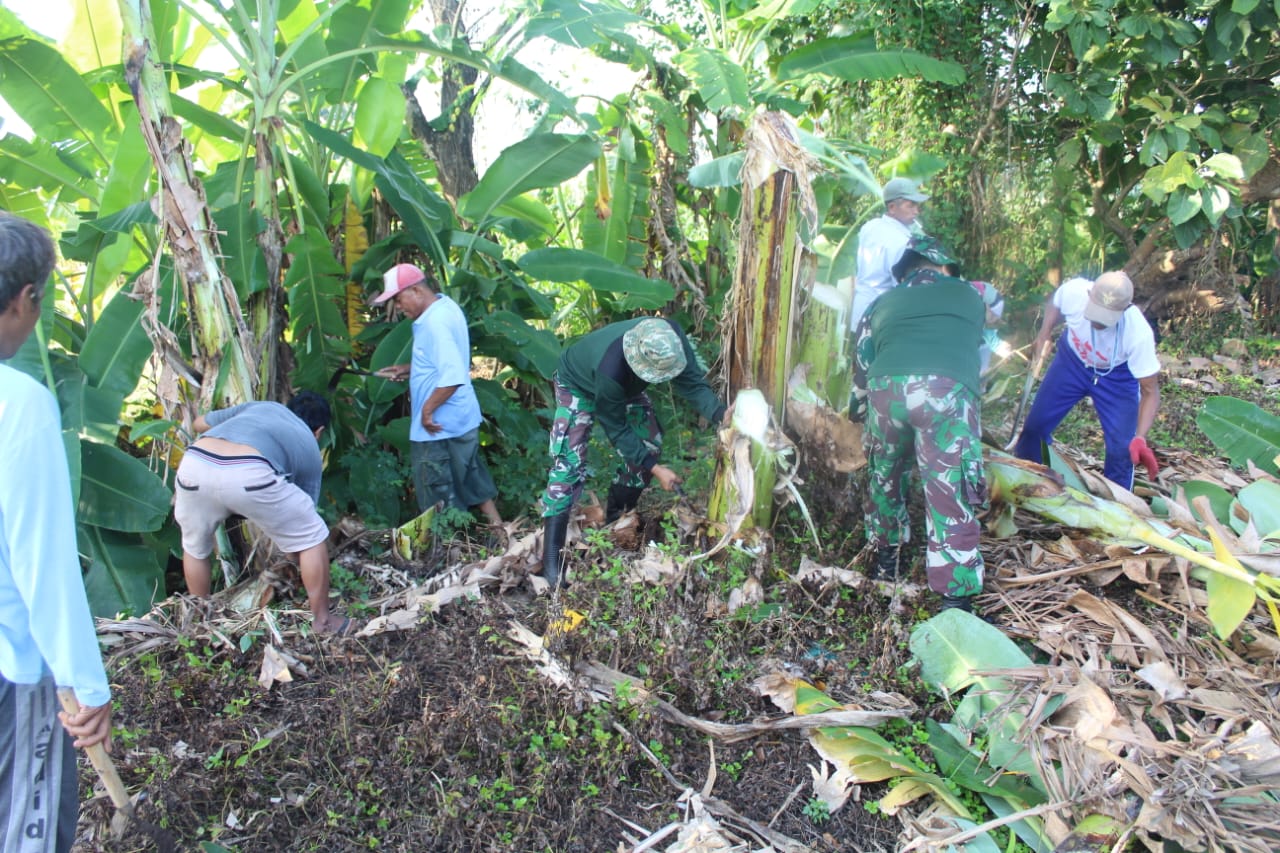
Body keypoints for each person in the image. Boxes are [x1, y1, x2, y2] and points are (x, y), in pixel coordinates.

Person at [0, 211, 113, 852]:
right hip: (13, 665)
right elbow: (40, 561)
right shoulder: (18, 405)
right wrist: (86, 685)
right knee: (28, 826)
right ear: (26, 299)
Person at [539, 317, 731, 588]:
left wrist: (721, 414)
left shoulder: (672, 337)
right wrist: (656, 468)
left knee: (649, 443)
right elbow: (616, 430)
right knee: (569, 465)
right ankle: (551, 564)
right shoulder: (611, 368)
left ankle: (618, 521)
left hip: (628, 386)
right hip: (578, 383)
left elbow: (691, 383)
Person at [850, 236, 987, 612]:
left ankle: (884, 561)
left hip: (886, 391)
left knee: (885, 475)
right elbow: (979, 342)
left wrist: (856, 408)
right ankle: (955, 599)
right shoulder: (970, 295)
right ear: (944, 268)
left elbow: (862, 361)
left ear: (904, 272)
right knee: (947, 487)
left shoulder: (881, 303)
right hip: (945, 391)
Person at [174, 392, 351, 634]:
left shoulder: (260, 407)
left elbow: (199, 423)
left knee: (195, 547)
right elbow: (301, 539)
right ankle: (324, 622)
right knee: (313, 536)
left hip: (195, 463)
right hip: (248, 471)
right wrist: (291, 569)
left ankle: (200, 627)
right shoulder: (308, 444)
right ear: (318, 431)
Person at [371, 264, 502, 528]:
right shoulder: (445, 307)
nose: (397, 307)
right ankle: (501, 534)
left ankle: (450, 553)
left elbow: (452, 376)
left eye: (398, 299)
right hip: (461, 420)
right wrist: (411, 369)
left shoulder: (434, 323)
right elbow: (446, 359)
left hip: (439, 428)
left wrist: (427, 411)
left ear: (417, 290)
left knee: (438, 498)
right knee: (472, 479)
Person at [1012, 271, 1161, 489]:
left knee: (1121, 450)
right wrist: (1044, 333)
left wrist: (1140, 437)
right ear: (1089, 294)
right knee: (1035, 427)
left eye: (1106, 317)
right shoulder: (1074, 292)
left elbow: (1151, 392)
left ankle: (1117, 507)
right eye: (1096, 312)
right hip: (1071, 362)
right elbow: (1056, 301)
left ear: (1126, 309)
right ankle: (1030, 480)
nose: (1098, 322)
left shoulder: (1138, 334)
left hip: (1116, 378)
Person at [848, 177, 929, 333]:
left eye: (917, 205)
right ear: (892, 207)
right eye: (910, 205)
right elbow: (902, 286)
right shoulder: (901, 242)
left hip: (860, 310)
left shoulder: (870, 226)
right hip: (882, 316)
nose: (916, 211)